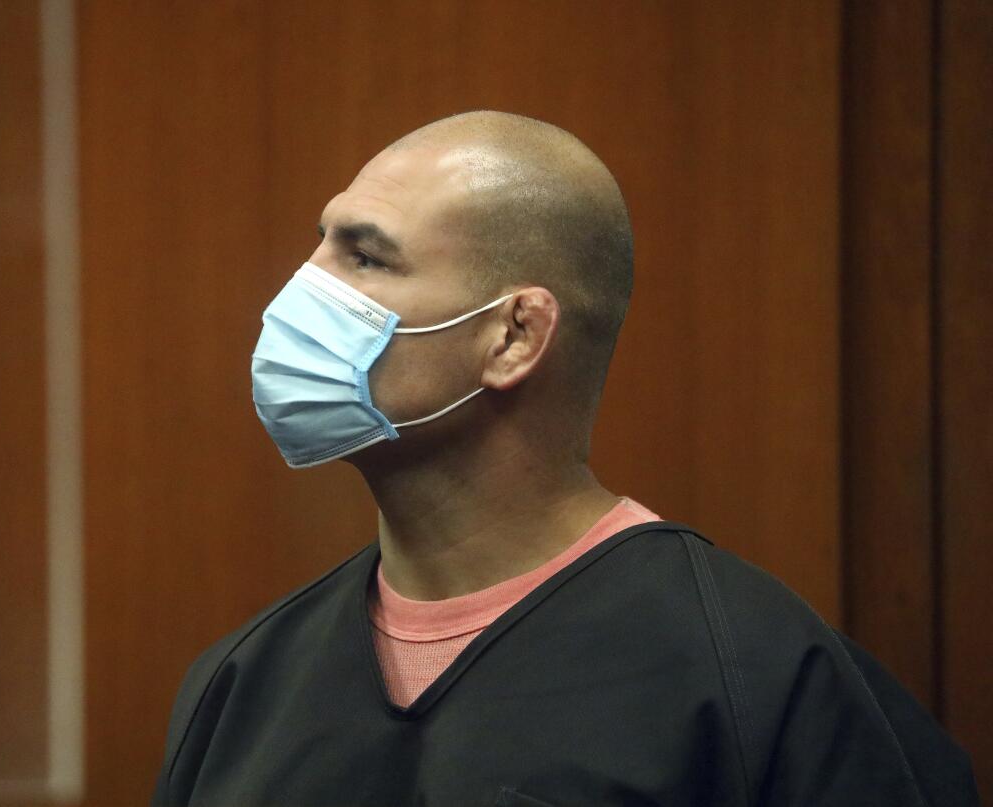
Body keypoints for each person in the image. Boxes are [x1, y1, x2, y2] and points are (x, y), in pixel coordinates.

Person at [151, 111, 976, 806]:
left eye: (364, 258)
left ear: (514, 335)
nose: (298, 291)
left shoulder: (756, 679)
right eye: (320, 246)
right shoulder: (242, 684)